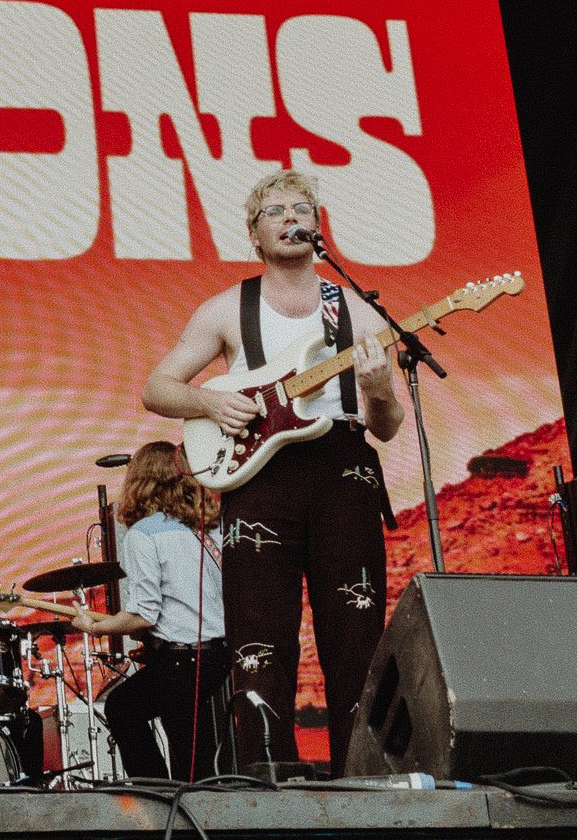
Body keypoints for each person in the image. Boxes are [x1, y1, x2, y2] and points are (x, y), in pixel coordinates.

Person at [139, 168, 402, 774]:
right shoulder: (228, 308)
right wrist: (208, 402)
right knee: (259, 638)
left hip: (343, 470)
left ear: (318, 227)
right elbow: (156, 387)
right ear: (254, 235)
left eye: (302, 208)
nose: (291, 217)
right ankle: (266, 774)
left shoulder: (356, 311)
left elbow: (386, 426)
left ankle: (362, 774)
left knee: (354, 634)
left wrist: (380, 387)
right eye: (275, 210)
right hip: (259, 478)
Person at [71, 441, 228, 781]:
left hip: (180, 661)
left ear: (139, 480)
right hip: (215, 657)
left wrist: (95, 627)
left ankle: (157, 794)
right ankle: (170, 796)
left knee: (125, 710)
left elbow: (143, 614)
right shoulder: (208, 529)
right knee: (188, 753)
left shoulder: (144, 533)